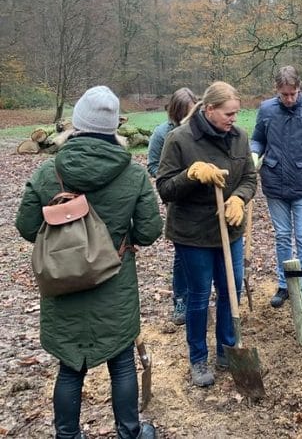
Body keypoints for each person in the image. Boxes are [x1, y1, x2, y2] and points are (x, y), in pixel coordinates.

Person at [15, 85, 162, 439]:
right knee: (122, 362)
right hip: (115, 281)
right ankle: (129, 432)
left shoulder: (48, 173)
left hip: (61, 280)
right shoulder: (134, 174)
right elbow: (150, 231)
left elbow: (26, 227)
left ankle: (67, 436)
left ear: (76, 125)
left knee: (69, 367)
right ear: (114, 127)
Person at [156, 81, 256, 387]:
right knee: (199, 297)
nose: (233, 119)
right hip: (193, 234)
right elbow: (165, 189)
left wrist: (239, 198)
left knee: (230, 291)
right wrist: (190, 174)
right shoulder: (180, 139)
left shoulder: (239, 138)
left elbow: (251, 178)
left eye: (236, 114)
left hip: (230, 231)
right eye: (228, 113)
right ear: (209, 109)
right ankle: (198, 358)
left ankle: (227, 349)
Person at [250, 65, 302, 317]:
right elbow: (258, 138)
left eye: (293, 93)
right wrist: (254, 153)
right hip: (274, 183)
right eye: (284, 94)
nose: (289, 99)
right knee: (283, 236)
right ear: (277, 90)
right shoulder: (266, 110)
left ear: (299, 88)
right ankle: (285, 285)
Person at [147, 87, 198, 326]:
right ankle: (181, 299)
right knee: (182, 252)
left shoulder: (200, 131)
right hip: (176, 198)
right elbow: (153, 166)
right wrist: (177, 179)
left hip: (202, 198)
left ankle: (200, 298)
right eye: (185, 114)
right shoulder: (162, 134)